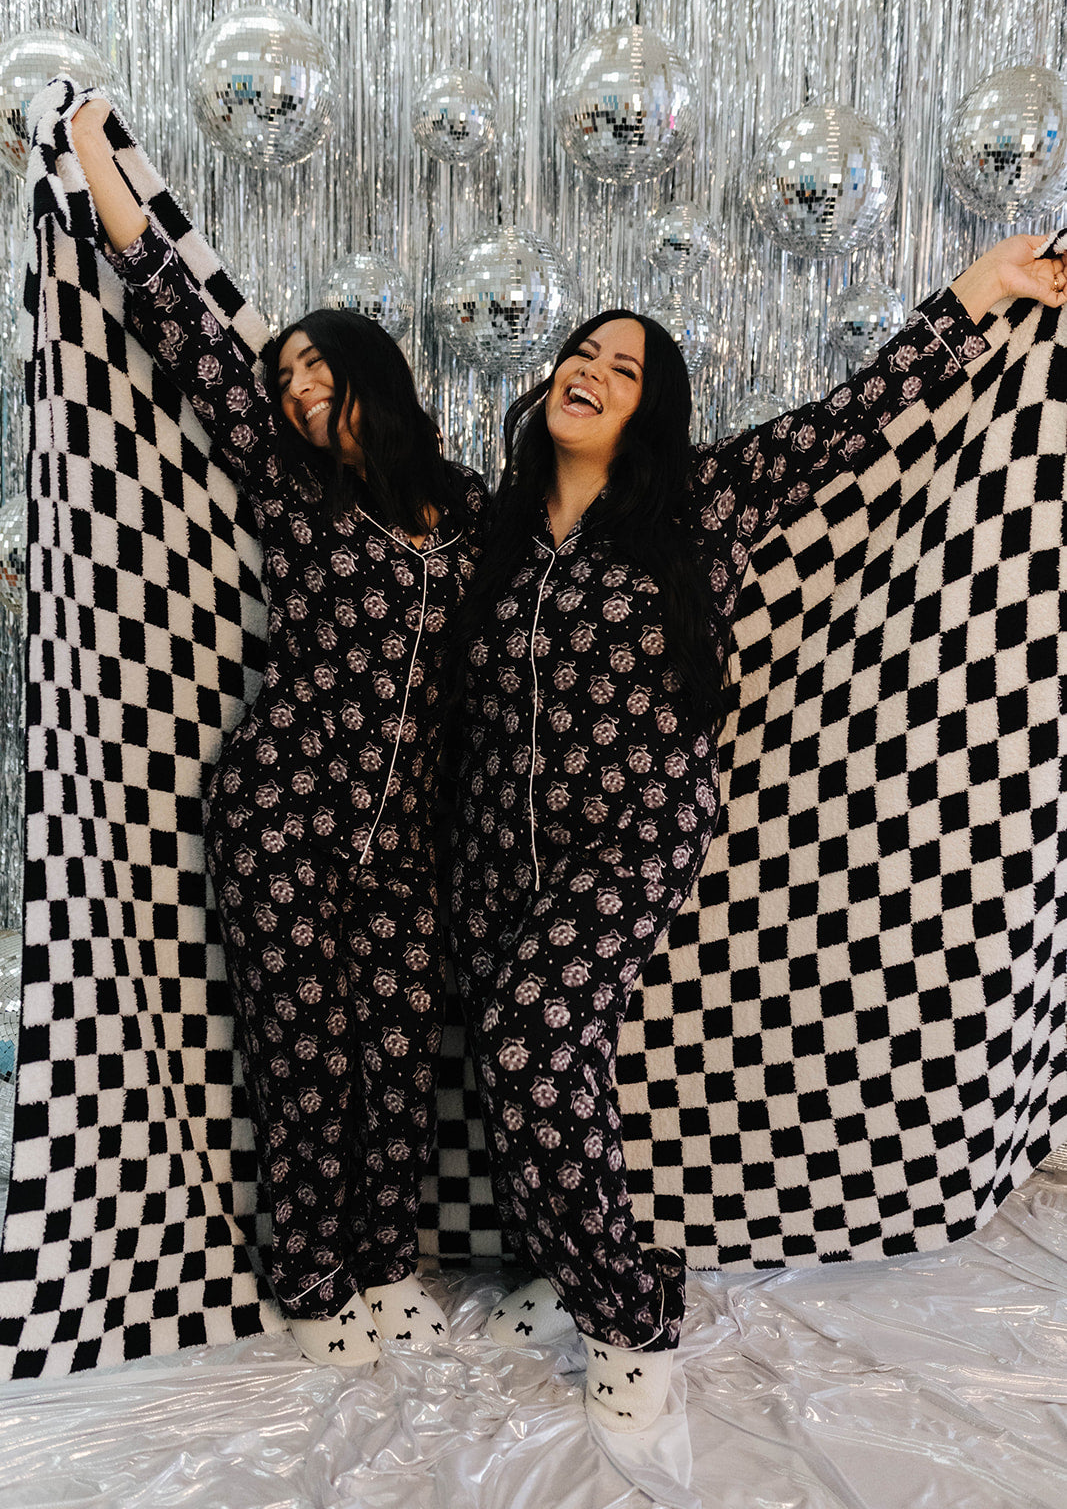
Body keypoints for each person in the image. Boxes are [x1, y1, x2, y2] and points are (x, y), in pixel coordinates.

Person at [447, 242, 1067, 1430]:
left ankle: (631, 1316)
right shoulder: (495, 531)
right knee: (524, 1063)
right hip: (490, 852)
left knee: (534, 1040)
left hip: (628, 838)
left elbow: (860, 412)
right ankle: (559, 1263)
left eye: (621, 367)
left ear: (652, 409)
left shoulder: (705, 500)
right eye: (580, 353)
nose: (589, 369)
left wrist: (981, 293)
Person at [68, 97, 486, 1367]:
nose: (299, 391)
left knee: (398, 1060)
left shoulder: (471, 507)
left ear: (373, 372)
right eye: (289, 377)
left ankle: (383, 1262)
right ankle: (314, 1285)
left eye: (319, 369)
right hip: (283, 816)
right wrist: (90, 139)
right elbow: (181, 325)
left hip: (403, 839)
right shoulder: (290, 486)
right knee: (303, 1061)